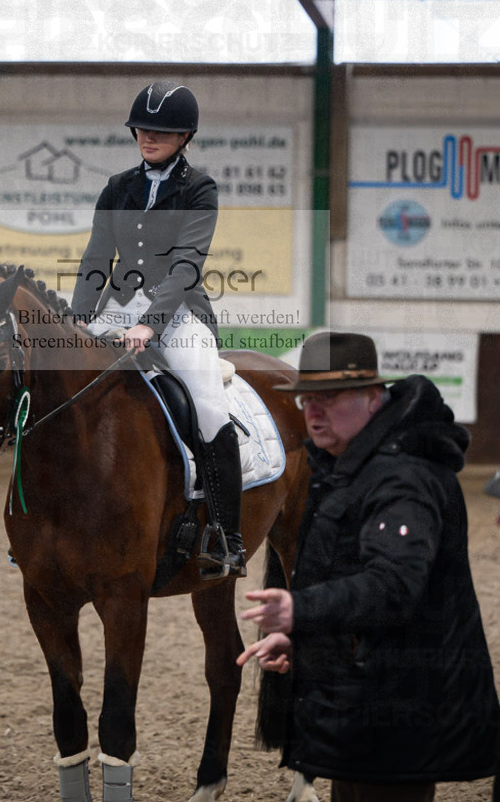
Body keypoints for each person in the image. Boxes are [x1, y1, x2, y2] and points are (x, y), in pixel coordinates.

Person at [237, 331, 500, 802]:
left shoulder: (403, 478)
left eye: (330, 399)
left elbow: (394, 586)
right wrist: (304, 640)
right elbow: (349, 576)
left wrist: (301, 612)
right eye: (307, 400)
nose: (313, 413)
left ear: (373, 398)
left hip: (400, 709)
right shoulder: (350, 467)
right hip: (365, 702)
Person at [70, 79, 246, 577]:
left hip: (178, 312)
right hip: (117, 305)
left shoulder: (198, 189)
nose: (148, 138)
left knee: (209, 404)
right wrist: (79, 319)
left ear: (185, 136)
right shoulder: (118, 187)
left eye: (160, 133)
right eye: (142, 129)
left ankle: (227, 538)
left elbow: (187, 265)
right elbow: (96, 258)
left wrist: (150, 324)